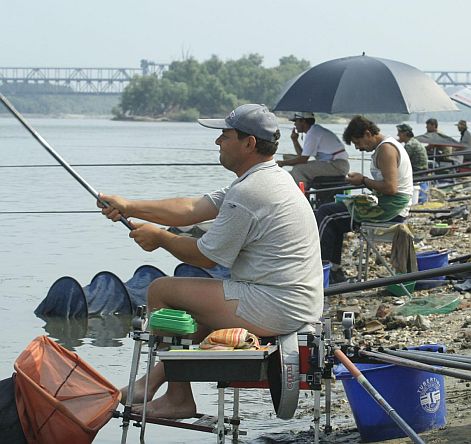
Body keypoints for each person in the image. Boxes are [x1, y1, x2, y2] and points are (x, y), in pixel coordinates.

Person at [99, 104, 324, 419]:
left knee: (161, 292)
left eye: (224, 135)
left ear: (249, 143)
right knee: (190, 317)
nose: (217, 141)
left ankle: (178, 399)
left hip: (279, 304)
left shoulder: (252, 191)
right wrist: (130, 206)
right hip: (291, 298)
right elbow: (192, 208)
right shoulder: (262, 179)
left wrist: (160, 238)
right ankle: (150, 384)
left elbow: (203, 256)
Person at [315, 116, 413, 284]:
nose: (358, 148)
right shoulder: (385, 147)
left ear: (368, 134)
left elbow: (391, 188)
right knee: (332, 215)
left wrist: (363, 180)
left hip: (391, 211)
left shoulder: (386, 150)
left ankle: (321, 272)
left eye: (357, 142)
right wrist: (364, 182)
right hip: (390, 205)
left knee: (325, 214)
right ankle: (334, 270)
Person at [276, 112, 349, 187]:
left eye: (296, 121)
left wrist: (282, 163)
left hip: (337, 165)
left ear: (303, 121)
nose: (294, 124)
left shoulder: (313, 133)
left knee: (298, 169)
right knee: (291, 171)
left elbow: (303, 159)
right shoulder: (315, 130)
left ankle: (303, 196)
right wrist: (295, 140)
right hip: (336, 165)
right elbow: (302, 156)